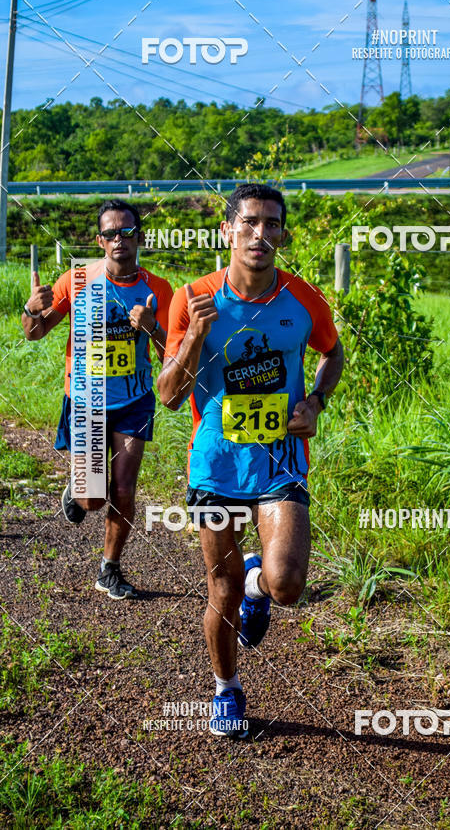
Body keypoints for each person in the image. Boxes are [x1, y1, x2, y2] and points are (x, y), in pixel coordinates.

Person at [158, 183, 344, 737]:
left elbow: (332, 353)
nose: (260, 233)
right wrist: (194, 335)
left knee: (286, 584)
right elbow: (169, 396)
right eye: (250, 222)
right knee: (222, 590)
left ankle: (261, 586)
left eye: (272, 224)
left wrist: (316, 400)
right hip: (215, 464)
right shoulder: (192, 296)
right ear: (228, 230)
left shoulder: (304, 298)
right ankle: (226, 691)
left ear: (282, 235)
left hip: (281, 458)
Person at [21, 199, 173, 600]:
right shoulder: (78, 278)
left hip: (134, 399)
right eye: (110, 233)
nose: (118, 238)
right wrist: (30, 309)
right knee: (93, 498)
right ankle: (78, 488)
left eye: (126, 231)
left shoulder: (158, 288)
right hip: (86, 398)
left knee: (124, 489)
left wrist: (154, 329)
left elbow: (171, 355)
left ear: (139, 237)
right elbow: (34, 333)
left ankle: (110, 569)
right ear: (99, 240)